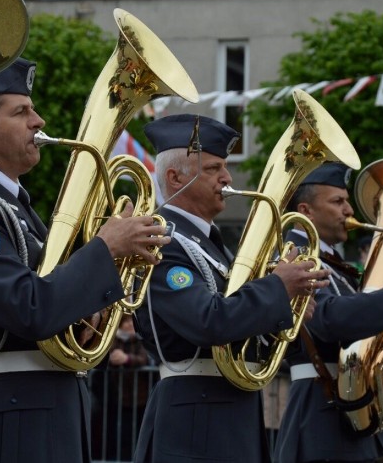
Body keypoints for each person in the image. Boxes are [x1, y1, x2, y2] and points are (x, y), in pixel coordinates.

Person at [0, 57, 167, 463]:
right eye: (21, 111)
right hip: (4, 418)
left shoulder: (12, 206)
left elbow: (51, 304)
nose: (38, 121)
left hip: (33, 410)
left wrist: (93, 310)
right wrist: (106, 248)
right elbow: (29, 307)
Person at [132, 114, 326, 463]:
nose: (228, 177)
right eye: (213, 168)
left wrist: (287, 310)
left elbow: (241, 326)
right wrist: (278, 288)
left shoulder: (214, 246)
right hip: (194, 417)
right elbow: (209, 322)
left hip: (230, 413)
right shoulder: (163, 241)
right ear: (175, 177)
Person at [273, 162, 383, 463]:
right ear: (306, 211)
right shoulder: (293, 256)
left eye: (347, 201)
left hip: (347, 407)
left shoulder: (334, 263)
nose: (349, 210)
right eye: (337, 201)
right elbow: (325, 319)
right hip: (320, 410)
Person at [102, 314, 152, 461]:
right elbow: (104, 357)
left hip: (141, 398)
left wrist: (127, 359)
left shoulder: (141, 339)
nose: (129, 325)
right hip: (118, 397)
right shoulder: (113, 340)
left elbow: (145, 359)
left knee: (138, 434)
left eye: (131, 321)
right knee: (119, 434)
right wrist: (112, 359)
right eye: (125, 322)